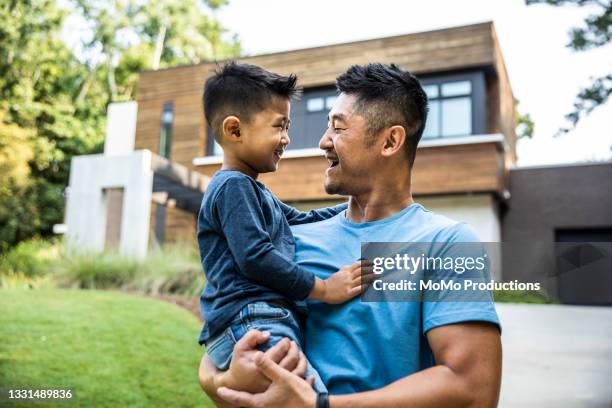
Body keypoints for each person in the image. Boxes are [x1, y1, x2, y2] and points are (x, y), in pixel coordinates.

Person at [199, 63, 502, 407]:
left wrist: (319, 406)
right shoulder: (288, 239)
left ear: (390, 141)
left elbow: (474, 389)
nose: (322, 141)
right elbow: (225, 329)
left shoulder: (448, 244)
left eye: (337, 128)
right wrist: (223, 379)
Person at [197, 62, 367, 394]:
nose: (286, 138)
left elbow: (301, 220)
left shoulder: (253, 191)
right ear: (234, 130)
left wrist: (359, 202)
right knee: (309, 398)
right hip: (254, 322)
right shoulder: (233, 187)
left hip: (262, 320)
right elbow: (255, 257)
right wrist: (323, 289)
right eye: (280, 126)